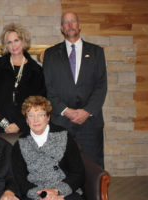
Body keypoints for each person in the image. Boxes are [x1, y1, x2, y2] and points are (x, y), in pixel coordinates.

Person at [43, 12, 107, 168]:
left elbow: (101, 86)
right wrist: (66, 110)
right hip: (61, 121)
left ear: (79, 25)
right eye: (66, 23)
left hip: (90, 122)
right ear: (62, 29)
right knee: (61, 168)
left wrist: (86, 111)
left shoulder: (97, 52)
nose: (70, 25)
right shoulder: (51, 54)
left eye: (73, 21)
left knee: (93, 168)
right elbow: (48, 87)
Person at [12, 96, 85, 200]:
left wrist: (57, 191)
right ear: (27, 120)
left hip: (64, 192)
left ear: (48, 117)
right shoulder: (20, 145)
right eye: (31, 115)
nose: (36, 120)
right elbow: (20, 180)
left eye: (40, 115)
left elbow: (78, 173)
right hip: (35, 195)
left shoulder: (64, 136)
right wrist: (41, 195)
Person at [0, 23, 46, 134]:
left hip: (27, 127)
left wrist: (20, 124)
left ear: (23, 41)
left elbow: (40, 102)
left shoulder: (36, 70)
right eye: (9, 42)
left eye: (16, 40)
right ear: (6, 45)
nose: (13, 45)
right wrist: (4, 123)